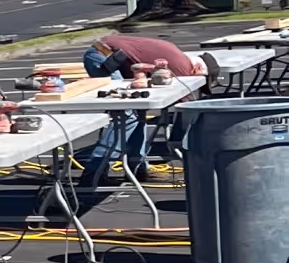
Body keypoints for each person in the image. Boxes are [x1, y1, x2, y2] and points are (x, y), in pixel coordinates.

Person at [76, 31, 199, 189]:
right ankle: (93, 174)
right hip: (102, 55)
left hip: (116, 55)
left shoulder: (180, 60)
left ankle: (137, 169)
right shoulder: (182, 69)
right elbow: (186, 106)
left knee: (138, 113)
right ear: (197, 68)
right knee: (126, 115)